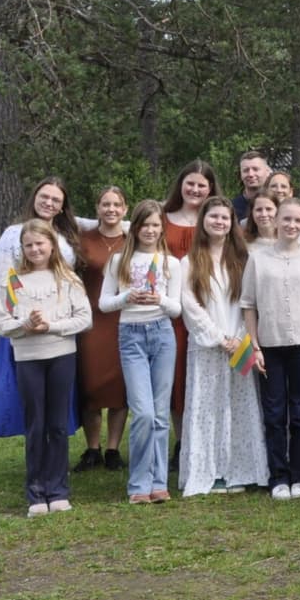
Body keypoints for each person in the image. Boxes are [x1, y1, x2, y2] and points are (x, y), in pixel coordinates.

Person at [0, 219, 92, 516]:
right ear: (22, 249)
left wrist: (52, 326)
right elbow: (4, 325)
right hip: (28, 360)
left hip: (61, 356)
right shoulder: (12, 282)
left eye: (40, 243)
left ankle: (58, 489)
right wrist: (26, 324)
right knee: (35, 425)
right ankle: (36, 492)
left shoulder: (69, 280)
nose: (35, 249)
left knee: (57, 425)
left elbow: (84, 319)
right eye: (29, 245)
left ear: (52, 245)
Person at [179, 200, 270, 496]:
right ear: (203, 221)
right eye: (213, 216)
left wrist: (240, 338)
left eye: (225, 217)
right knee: (207, 407)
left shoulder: (244, 258)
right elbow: (190, 306)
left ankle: (240, 469)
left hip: (241, 342)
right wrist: (220, 338)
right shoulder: (190, 261)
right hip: (208, 345)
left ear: (233, 223)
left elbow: (252, 301)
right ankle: (211, 470)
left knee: (239, 406)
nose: (219, 222)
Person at [0, 178, 84, 443]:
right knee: (29, 396)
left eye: (56, 200)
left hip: (58, 327)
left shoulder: (66, 238)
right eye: (44, 197)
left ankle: (54, 455)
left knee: (56, 398)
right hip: (25, 326)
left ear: (63, 207)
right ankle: (36, 452)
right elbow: (3, 282)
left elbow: (101, 222)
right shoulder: (14, 234)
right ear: (34, 198)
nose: (49, 203)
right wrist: (16, 321)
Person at [100, 199, 183, 504]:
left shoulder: (170, 264)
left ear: (162, 229)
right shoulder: (119, 261)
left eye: (155, 225)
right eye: (145, 225)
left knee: (160, 413)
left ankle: (159, 482)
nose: (150, 230)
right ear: (134, 227)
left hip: (161, 335)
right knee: (143, 413)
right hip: (131, 336)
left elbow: (176, 310)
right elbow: (104, 303)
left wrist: (159, 299)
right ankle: (138, 483)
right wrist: (126, 297)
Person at [241, 198, 300, 500]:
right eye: (286, 219)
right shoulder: (258, 258)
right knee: (274, 413)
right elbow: (248, 304)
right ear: (276, 221)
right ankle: (278, 475)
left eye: (297, 221)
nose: (291, 225)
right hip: (270, 345)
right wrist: (254, 346)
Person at [73, 186, 129, 472]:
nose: (111, 209)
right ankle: (92, 447)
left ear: (125, 209)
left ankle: (113, 449)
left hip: (123, 320)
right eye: (105, 204)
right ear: (97, 209)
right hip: (90, 321)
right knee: (90, 384)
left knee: (119, 387)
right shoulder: (83, 240)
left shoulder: (132, 240)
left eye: (116, 204)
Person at [161, 160, 220, 427]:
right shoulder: (162, 217)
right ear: (181, 185)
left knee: (205, 371)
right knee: (177, 371)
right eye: (190, 184)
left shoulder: (217, 219)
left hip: (207, 305)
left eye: (201, 185)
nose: (195, 190)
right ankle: (180, 439)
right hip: (171, 306)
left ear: (210, 189)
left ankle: (204, 432)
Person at [232, 150, 270, 224]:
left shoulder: (277, 205)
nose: (250, 174)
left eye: (255, 169)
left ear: (267, 172)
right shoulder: (232, 208)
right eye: (245, 170)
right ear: (240, 174)